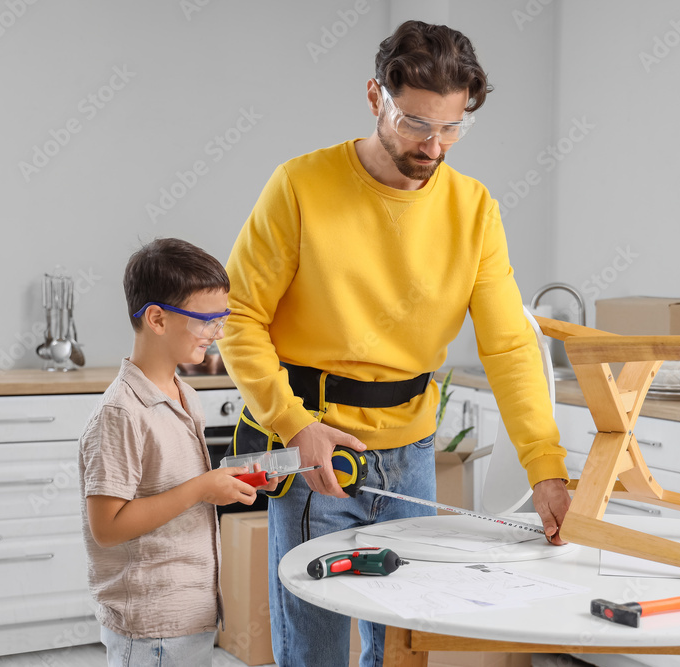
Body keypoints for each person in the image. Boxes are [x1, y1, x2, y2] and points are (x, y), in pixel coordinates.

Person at [219, 20, 571, 667]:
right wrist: (294, 425)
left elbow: (510, 347)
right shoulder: (300, 187)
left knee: (402, 647)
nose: (434, 146)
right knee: (317, 648)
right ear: (376, 95)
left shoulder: (475, 209)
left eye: (451, 127)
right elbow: (238, 317)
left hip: (410, 454)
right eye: (415, 123)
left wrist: (546, 468)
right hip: (318, 453)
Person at [78, 238, 277, 667]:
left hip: (192, 612)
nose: (218, 333)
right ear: (157, 319)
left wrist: (232, 481)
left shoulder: (183, 392)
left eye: (221, 318)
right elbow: (108, 528)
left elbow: (178, 484)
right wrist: (202, 488)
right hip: (152, 622)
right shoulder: (120, 413)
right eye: (206, 320)